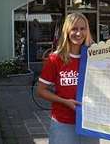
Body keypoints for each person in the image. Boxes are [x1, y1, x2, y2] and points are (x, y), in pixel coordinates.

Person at [37, 13, 99, 144]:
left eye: (82, 29)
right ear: (67, 31)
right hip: (63, 121)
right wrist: (65, 101)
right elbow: (41, 91)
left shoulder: (95, 57)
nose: (78, 33)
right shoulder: (55, 59)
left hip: (90, 121)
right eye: (74, 29)